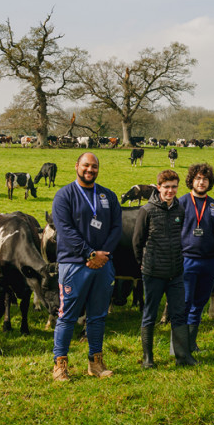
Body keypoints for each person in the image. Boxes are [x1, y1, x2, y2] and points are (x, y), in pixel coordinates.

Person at [50, 152, 122, 381]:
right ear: (76, 167)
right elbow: (65, 229)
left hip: (103, 264)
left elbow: (116, 228)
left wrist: (102, 256)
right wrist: (89, 253)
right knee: (67, 316)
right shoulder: (64, 196)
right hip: (73, 264)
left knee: (98, 315)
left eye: (94, 166)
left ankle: (96, 363)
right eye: (86, 165)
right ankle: (60, 365)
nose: (90, 169)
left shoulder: (107, 196)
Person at [133, 169, 196, 368]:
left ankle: (182, 356)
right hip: (153, 272)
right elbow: (137, 241)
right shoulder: (147, 210)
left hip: (176, 272)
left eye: (174, 187)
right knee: (150, 314)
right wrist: (143, 264)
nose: (170, 191)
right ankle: (147, 358)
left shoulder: (179, 209)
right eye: (166, 187)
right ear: (158, 187)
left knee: (178, 314)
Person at [178, 163, 214, 354]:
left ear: (210, 182)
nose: (201, 182)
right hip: (186, 260)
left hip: (208, 263)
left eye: (205, 179)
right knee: (184, 303)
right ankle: (180, 347)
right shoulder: (181, 203)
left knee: (198, 305)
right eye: (197, 178)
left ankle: (191, 343)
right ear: (191, 180)